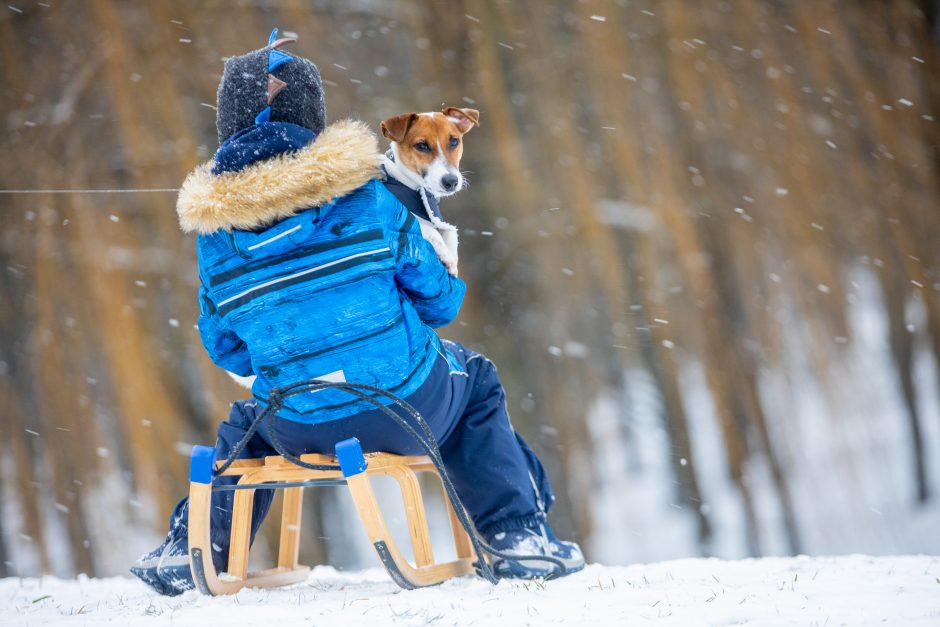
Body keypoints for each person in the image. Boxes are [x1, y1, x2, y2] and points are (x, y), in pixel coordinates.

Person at [131, 30, 584, 596]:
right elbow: (441, 304)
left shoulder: (214, 238)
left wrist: (296, 351)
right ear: (313, 119)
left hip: (295, 426)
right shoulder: (371, 199)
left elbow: (226, 347)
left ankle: (193, 546)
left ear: (228, 124)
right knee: (478, 381)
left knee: (248, 423)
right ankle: (515, 536)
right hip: (406, 408)